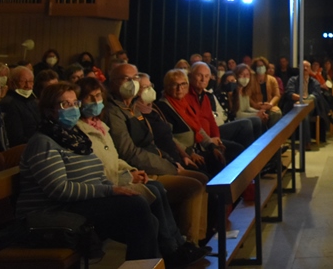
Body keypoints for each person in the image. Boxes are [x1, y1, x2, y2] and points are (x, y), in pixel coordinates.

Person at [18, 81, 161, 261]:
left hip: (81, 204)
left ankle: (149, 262)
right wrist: (110, 190)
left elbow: (98, 174)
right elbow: (59, 190)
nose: (73, 108)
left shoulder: (75, 138)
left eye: (75, 103)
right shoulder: (43, 142)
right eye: (65, 104)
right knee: (136, 206)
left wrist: (114, 189)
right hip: (53, 211)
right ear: (49, 110)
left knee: (147, 217)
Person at [74, 77, 206, 267]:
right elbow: (117, 158)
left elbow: (115, 158)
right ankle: (171, 250)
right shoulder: (86, 129)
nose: (96, 101)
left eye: (98, 96)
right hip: (107, 187)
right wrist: (130, 176)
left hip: (127, 174)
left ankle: (179, 245)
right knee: (153, 195)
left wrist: (132, 171)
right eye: (90, 97)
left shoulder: (102, 125)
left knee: (159, 188)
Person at [106, 63, 209, 246]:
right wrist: (169, 167)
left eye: (135, 78)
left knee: (202, 179)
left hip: (156, 162)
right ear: (113, 82)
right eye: (126, 79)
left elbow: (151, 142)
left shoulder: (134, 108)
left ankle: (199, 239)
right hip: (141, 171)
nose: (133, 83)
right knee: (193, 186)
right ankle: (188, 243)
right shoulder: (113, 111)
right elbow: (130, 153)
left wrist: (171, 161)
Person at [1, 64, 40, 147]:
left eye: (30, 81)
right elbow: (16, 137)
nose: (28, 86)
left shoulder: (33, 100)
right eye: (23, 81)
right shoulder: (9, 103)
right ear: (12, 83)